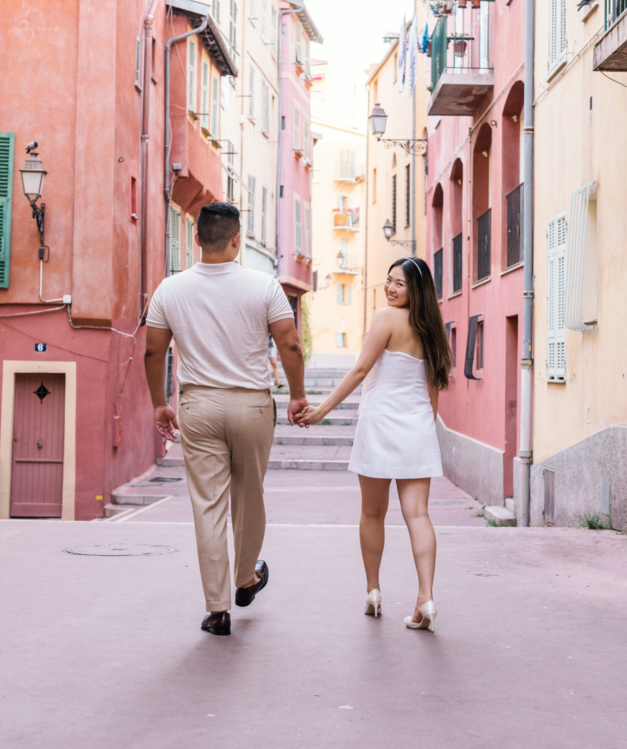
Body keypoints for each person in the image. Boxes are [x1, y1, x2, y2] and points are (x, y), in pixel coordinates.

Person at [144, 202, 309, 636]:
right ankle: (246, 578)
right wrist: (297, 395)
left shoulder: (170, 289)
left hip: (197, 405)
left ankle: (218, 611)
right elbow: (290, 347)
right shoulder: (265, 286)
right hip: (252, 404)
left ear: (196, 239)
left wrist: (160, 402)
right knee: (249, 494)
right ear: (237, 240)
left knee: (208, 506)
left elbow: (152, 351)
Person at [295, 257, 451, 630]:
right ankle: (425, 597)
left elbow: (361, 369)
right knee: (418, 515)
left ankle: (373, 591)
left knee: (372, 513)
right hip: (416, 426)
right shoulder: (431, 328)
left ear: (416, 289)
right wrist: (425, 430)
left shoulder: (386, 318)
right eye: (389, 280)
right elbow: (433, 394)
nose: (391, 288)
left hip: (380, 423)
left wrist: (321, 411)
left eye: (400, 283)